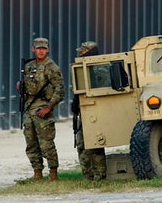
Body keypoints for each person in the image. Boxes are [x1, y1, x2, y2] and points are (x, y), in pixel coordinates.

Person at [18, 37, 65, 181]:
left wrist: (49, 107)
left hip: (43, 109)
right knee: (31, 143)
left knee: (46, 144)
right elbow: (28, 86)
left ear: (48, 50)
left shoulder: (52, 67)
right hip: (29, 109)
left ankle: (53, 173)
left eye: (43, 48)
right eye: (38, 48)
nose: (41, 51)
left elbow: (60, 90)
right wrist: (21, 87)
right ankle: (37, 172)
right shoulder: (29, 66)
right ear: (33, 49)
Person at [71, 41, 107, 181]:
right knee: (82, 144)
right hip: (84, 111)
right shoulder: (83, 69)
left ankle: (99, 176)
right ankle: (88, 176)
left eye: (83, 51)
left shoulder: (100, 69)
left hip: (94, 111)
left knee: (95, 145)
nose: (80, 54)